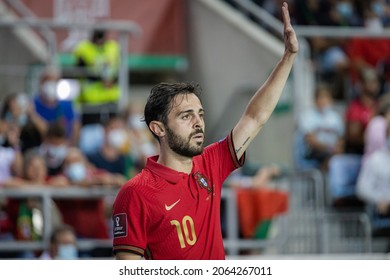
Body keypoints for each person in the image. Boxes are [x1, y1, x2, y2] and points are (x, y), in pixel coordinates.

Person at [112, 2, 298, 260]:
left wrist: (288, 57)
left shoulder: (210, 164)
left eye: (200, 114)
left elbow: (255, 117)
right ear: (158, 128)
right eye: (186, 116)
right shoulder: (135, 192)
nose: (198, 122)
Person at [297, 83, 344, 170]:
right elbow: (311, 141)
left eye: (326, 97)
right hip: (314, 153)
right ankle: (324, 180)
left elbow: (340, 138)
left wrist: (338, 149)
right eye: (321, 97)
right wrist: (330, 149)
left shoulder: (335, 117)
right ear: (315, 100)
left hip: (332, 152)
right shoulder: (308, 116)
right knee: (329, 158)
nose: (323, 100)